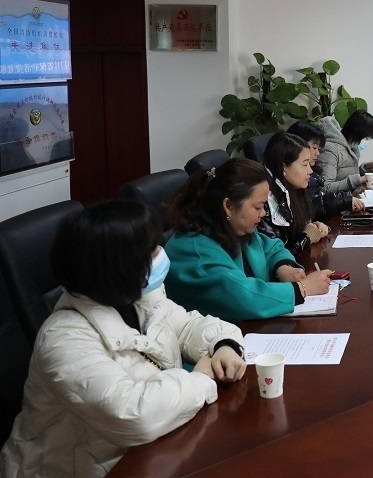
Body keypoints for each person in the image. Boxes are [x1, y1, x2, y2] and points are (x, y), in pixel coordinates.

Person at [0, 200, 246, 476]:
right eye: (151, 250)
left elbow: (188, 325)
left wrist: (223, 344)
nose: (161, 254)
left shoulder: (139, 298)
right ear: (120, 267)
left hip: (151, 454)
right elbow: (134, 416)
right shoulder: (63, 340)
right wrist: (200, 379)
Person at [164, 158, 331, 322]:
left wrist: (283, 268)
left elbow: (270, 247)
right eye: (258, 207)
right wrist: (303, 288)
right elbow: (240, 297)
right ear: (228, 206)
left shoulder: (231, 226)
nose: (263, 213)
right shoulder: (193, 250)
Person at [259, 132, 331, 256]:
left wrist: (312, 228)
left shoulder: (292, 190)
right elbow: (275, 258)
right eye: (305, 164)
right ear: (284, 167)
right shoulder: (266, 202)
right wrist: (305, 238)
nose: (310, 171)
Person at [286, 120, 365, 216]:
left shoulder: (314, 173)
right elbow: (316, 202)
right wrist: (345, 201)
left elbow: (318, 202)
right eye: (314, 148)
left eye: (319, 149)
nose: (318, 153)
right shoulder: (292, 183)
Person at [317, 111, 373, 194]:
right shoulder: (330, 150)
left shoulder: (351, 147)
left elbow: (344, 172)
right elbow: (325, 187)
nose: (365, 141)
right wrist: (360, 180)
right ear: (357, 134)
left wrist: (365, 169)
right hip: (340, 200)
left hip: (352, 196)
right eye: (366, 138)